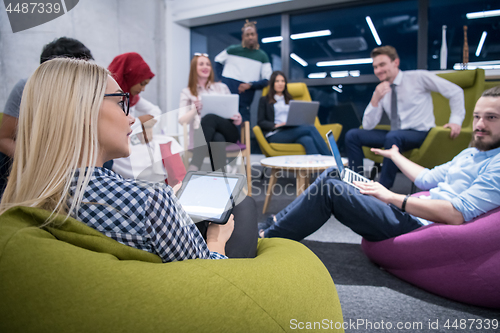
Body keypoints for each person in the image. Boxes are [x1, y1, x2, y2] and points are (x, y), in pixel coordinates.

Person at [0, 58, 257, 261]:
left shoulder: (28, 195)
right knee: (243, 205)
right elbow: (208, 276)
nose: (131, 118)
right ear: (85, 112)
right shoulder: (152, 200)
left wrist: (170, 201)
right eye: (121, 103)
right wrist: (216, 241)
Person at [260, 86, 500, 242]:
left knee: (331, 188)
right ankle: (277, 220)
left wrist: (391, 197)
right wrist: (395, 156)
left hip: (416, 223)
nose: (479, 124)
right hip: (411, 207)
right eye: (477, 116)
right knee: (336, 173)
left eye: (491, 117)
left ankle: (267, 237)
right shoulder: (470, 153)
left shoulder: (497, 164)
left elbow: (457, 215)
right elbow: (427, 178)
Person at [345, 45, 466, 189]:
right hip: (396, 134)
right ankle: (355, 184)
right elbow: (367, 126)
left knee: (393, 136)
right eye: (375, 67)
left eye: (382, 64)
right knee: (352, 135)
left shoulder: (418, 77)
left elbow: (455, 92)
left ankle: (382, 189)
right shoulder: (382, 89)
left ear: (395, 62)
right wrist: (375, 100)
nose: (378, 70)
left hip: (421, 133)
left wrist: (455, 121)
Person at [0, 37, 94, 196]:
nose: (87, 78)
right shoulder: (25, 89)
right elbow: (4, 139)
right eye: (79, 71)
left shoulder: (87, 93)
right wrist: (35, 162)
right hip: (31, 163)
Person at [108, 52, 182, 182]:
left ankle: (175, 185)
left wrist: (145, 123)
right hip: (119, 148)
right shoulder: (109, 99)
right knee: (158, 156)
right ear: (130, 77)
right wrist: (140, 121)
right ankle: (172, 186)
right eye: (141, 83)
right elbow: (114, 127)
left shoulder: (133, 97)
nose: (143, 89)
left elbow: (155, 111)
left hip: (133, 140)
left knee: (168, 143)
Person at [179, 53, 242, 172]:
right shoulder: (187, 92)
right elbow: (182, 120)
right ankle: (221, 179)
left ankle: (195, 164)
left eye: (208, 64)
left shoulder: (222, 87)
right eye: (201, 64)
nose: (206, 67)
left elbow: (234, 111)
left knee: (209, 117)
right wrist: (194, 110)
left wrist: (238, 119)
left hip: (229, 132)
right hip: (204, 136)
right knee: (217, 138)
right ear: (194, 68)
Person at [258, 71, 331, 155]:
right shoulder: (264, 100)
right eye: (277, 81)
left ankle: (316, 167)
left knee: (307, 140)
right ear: (272, 83)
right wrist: (277, 125)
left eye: (283, 81)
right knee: (310, 128)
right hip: (275, 134)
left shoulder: (290, 99)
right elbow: (261, 122)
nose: (280, 84)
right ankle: (331, 159)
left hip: (291, 130)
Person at [214, 20, 273, 122]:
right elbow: (217, 61)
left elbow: (268, 80)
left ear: (256, 36)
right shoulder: (232, 50)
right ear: (243, 37)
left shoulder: (262, 56)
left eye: (252, 34)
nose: (250, 37)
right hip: (226, 97)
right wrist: (220, 78)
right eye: (247, 35)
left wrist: (250, 85)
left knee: (243, 128)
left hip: (245, 100)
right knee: (223, 125)